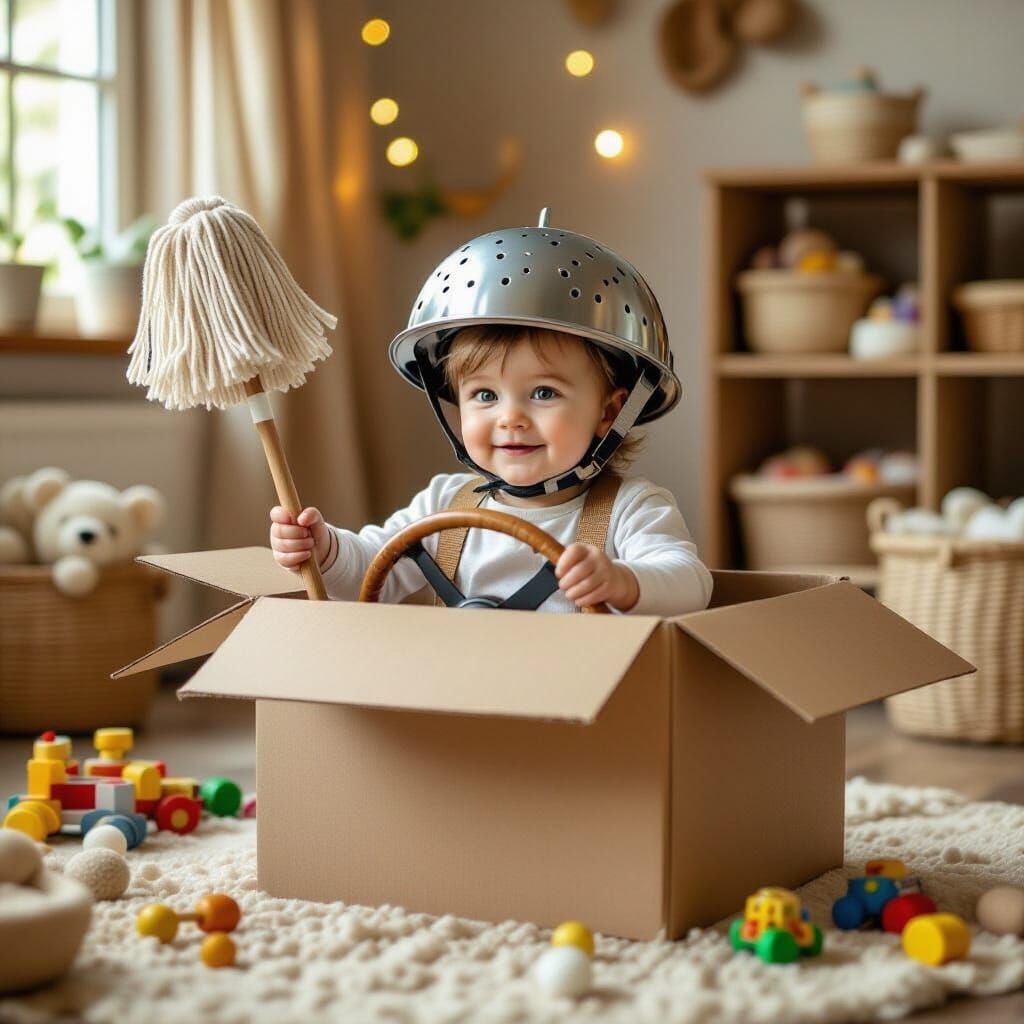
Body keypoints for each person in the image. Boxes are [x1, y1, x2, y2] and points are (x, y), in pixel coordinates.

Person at [270, 211, 712, 616]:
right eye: (484, 395)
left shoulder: (630, 509)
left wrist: (623, 581)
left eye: (542, 392)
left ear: (609, 411)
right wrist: (323, 548)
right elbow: (369, 572)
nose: (510, 418)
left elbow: (691, 583)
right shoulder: (444, 501)